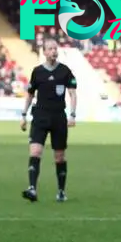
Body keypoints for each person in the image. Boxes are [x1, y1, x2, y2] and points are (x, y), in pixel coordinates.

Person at [20, 39, 77, 202]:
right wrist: (23, 115)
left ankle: (61, 191)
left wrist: (73, 115)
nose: (53, 51)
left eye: (55, 48)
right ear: (44, 52)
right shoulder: (37, 71)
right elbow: (30, 94)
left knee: (59, 156)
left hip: (58, 117)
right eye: (50, 48)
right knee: (35, 151)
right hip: (40, 116)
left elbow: (73, 93)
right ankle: (32, 189)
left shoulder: (65, 71)